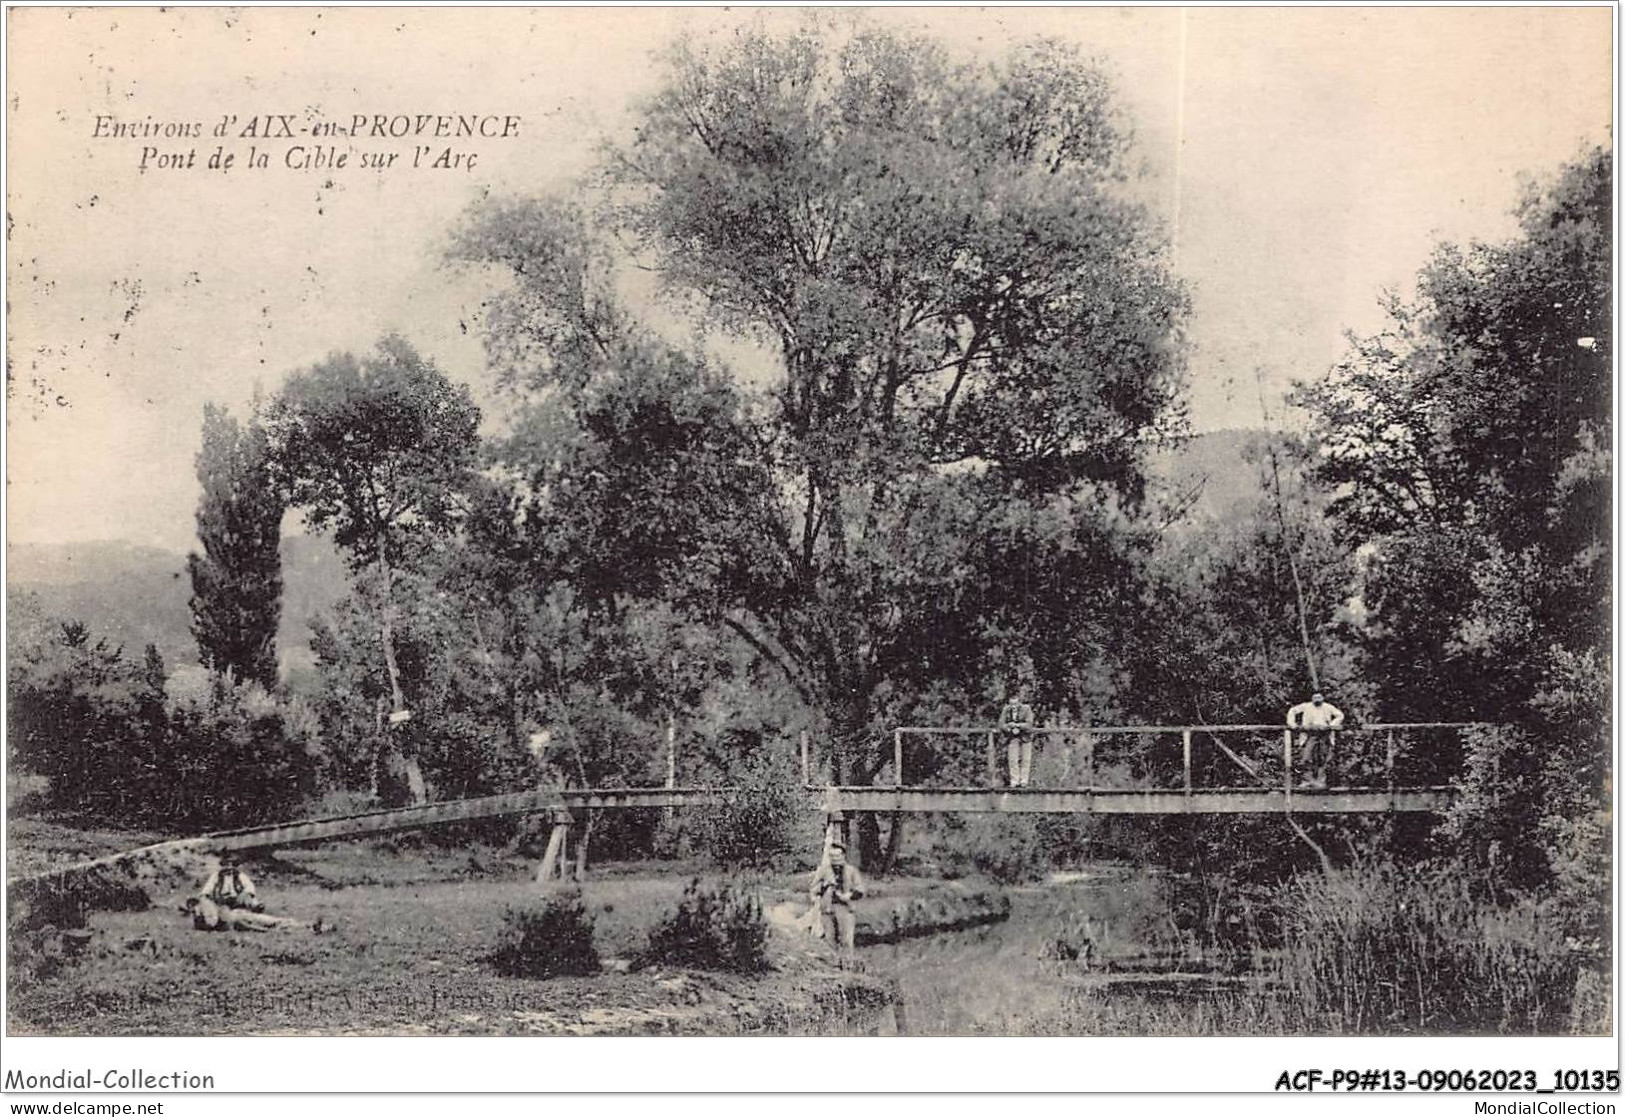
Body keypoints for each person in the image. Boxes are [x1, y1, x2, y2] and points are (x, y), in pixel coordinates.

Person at [186, 853, 308, 933]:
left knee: (253, 913)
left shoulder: (239, 876)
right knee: (255, 921)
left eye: (231, 865)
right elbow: (205, 894)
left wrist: (247, 898)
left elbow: (249, 888)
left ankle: (293, 925)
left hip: (237, 903)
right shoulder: (216, 877)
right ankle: (294, 925)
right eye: (226, 865)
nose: (228, 868)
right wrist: (209, 905)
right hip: (225, 907)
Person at [808, 840, 866, 951]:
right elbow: (813, 890)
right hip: (827, 910)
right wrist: (824, 886)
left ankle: (847, 965)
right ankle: (832, 966)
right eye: (832, 857)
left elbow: (860, 890)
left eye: (837, 857)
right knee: (829, 942)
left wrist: (848, 895)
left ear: (843, 856)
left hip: (845, 909)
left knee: (846, 942)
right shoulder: (823, 871)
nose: (835, 860)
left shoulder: (851, 871)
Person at [1286, 692, 1345, 788]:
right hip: (1309, 734)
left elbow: (1340, 715)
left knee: (1323, 758)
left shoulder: (1328, 707)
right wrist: (1294, 725)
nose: (1317, 699)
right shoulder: (1306, 706)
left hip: (1324, 735)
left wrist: (1330, 726)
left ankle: (1320, 781)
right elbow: (1292, 711)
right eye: (1315, 697)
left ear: (1323, 698)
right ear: (1312, 698)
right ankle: (1307, 780)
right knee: (1306, 757)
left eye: (1319, 697)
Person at [1000, 686, 1036, 788]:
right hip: (1012, 737)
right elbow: (1001, 724)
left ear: (1019, 702)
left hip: (1026, 737)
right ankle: (1014, 781)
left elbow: (1029, 724)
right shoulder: (1006, 710)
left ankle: (1024, 781)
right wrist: (1008, 727)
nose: (1013, 706)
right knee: (1012, 760)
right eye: (1011, 704)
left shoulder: (1026, 709)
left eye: (1015, 704)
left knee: (1026, 760)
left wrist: (1017, 725)